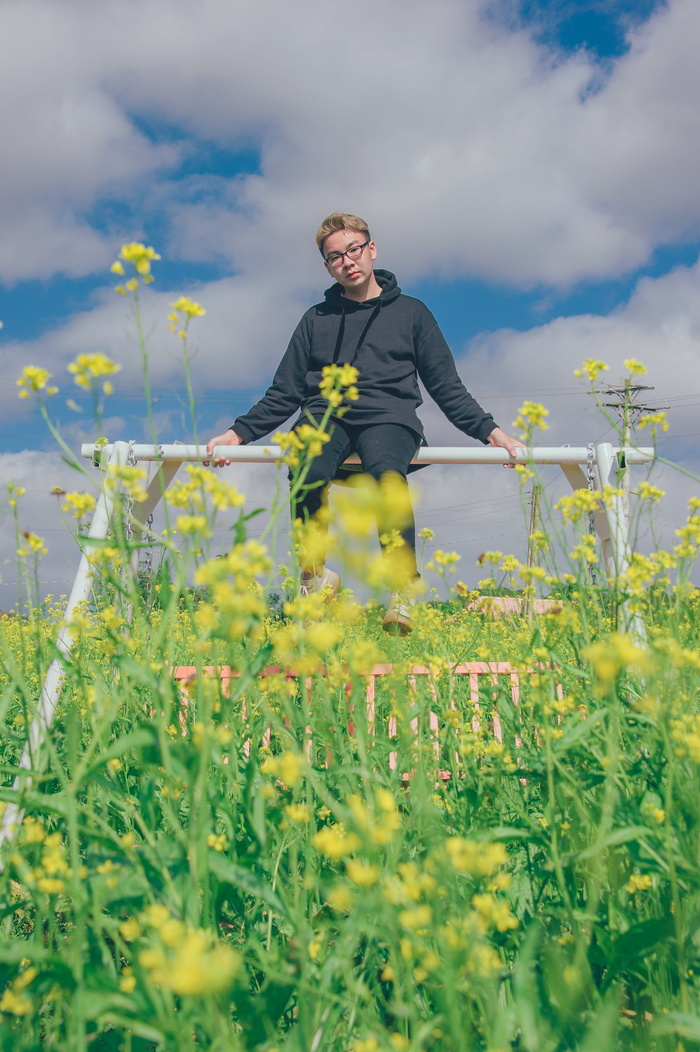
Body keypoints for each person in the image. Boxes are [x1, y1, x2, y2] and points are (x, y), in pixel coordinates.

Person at [206, 212, 523, 633]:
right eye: (335, 257)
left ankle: (401, 588)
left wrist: (492, 432)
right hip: (325, 415)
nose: (348, 262)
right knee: (305, 463)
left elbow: (446, 386)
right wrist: (237, 433)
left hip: (389, 415)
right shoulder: (315, 319)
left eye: (354, 250)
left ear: (371, 250)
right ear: (327, 266)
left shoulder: (412, 313)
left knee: (387, 474)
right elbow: (284, 391)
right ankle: (314, 576)